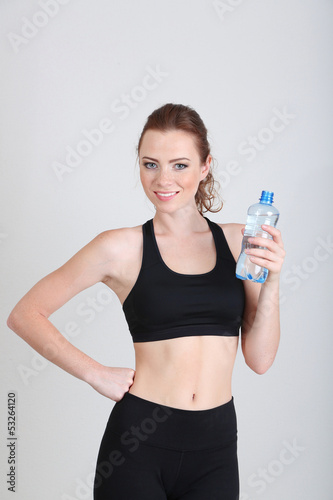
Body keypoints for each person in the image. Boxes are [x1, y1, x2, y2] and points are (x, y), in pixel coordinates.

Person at [7, 103, 286, 499]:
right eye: (150, 164)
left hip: (216, 447)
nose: (162, 179)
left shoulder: (239, 241)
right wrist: (94, 372)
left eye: (180, 165)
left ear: (205, 167)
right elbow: (24, 315)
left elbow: (260, 360)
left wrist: (272, 281)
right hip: (137, 446)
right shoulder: (119, 248)